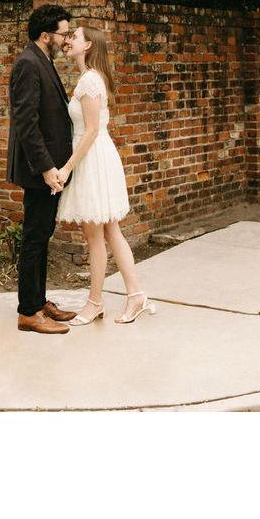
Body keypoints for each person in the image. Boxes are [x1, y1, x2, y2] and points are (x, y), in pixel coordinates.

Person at [56, 24, 156, 325]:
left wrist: (67, 167)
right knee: (110, 231)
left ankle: (95, 303)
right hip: (97, 156)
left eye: (75, 36)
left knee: (96, 236)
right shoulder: (91, 78)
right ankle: (135, 295)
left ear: (88, 46)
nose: (69, 39)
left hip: (92, 159)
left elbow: (89, 132)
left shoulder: (89, 80)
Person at [6, 3, 78, 335]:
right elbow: (26, 122)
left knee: (42, 234)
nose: (67, 39)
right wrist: (47, 167)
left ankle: (39, 300)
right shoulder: (27, 64)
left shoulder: (42, 60)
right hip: (40, 172)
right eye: (64, 33)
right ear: (45, 35)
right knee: (35, 237)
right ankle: (28, 312)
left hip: (49, 169)